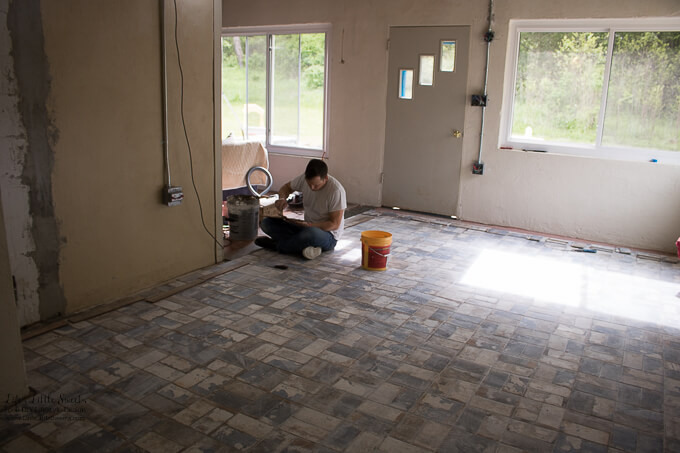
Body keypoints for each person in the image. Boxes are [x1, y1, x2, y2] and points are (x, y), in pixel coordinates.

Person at [255, 159, 346, 260]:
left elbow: (334, 224)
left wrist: (310, 225)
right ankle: (304, 246)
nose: (312, 188)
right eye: (309, 184)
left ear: (326, 178)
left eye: (316, 185)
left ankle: (277, 246)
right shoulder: (303, 179)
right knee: (266, 223)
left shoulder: (336, 191)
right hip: (306, 227)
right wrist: (282, 198)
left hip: (327, 235)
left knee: (311, 234)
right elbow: (286, 187)